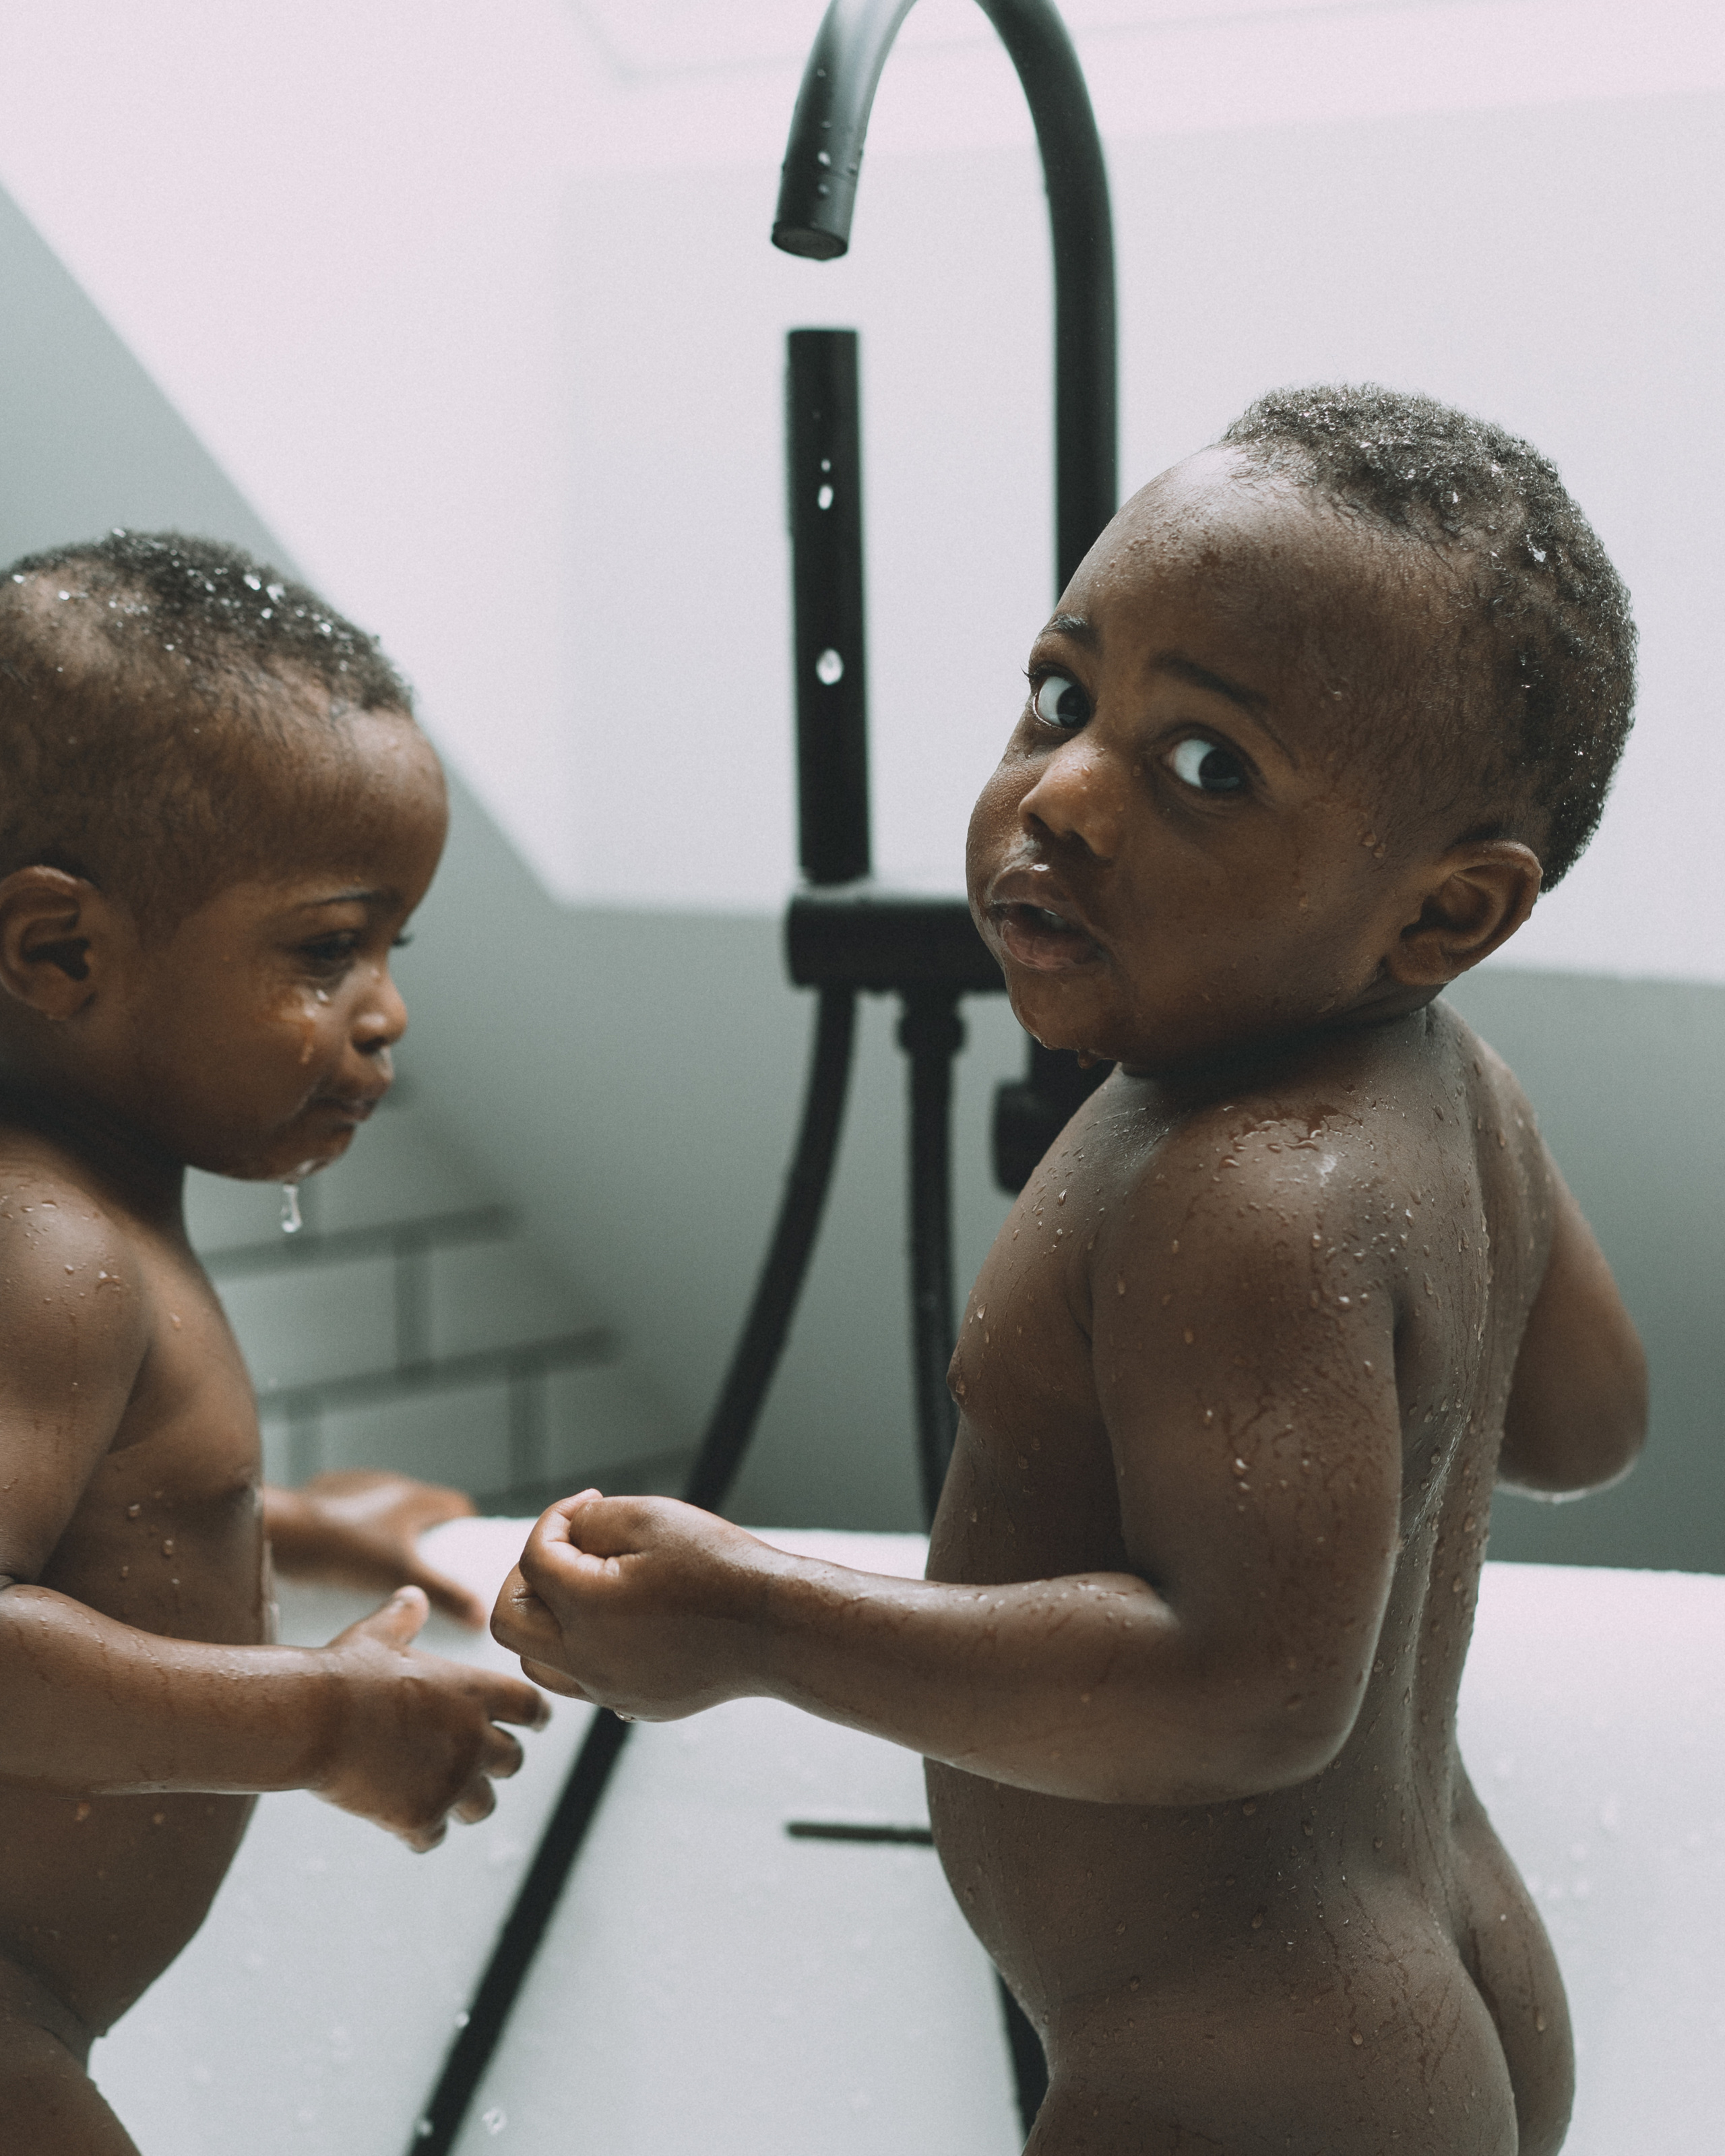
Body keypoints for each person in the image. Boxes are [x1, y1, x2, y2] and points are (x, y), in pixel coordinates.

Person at [493, 386, 1648, 2155]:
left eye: (1208, 768)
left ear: (1442, 914)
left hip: (1236, 2069)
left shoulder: (1242, 1194)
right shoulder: (1448, 1093)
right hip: (1414, 1980)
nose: (1066, 794)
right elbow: (1582, 1420)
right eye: (1063, 696)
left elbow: (1245, 1691)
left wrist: (749, 1619)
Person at [0, 532, 546, 2153]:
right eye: (325, 949)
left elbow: (71, 1544)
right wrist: (315, 1720)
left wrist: (284, 1530)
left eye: (394, 950)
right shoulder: (48, 1246)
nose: (381, 1012)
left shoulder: (88, 1217)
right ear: (59, 954)